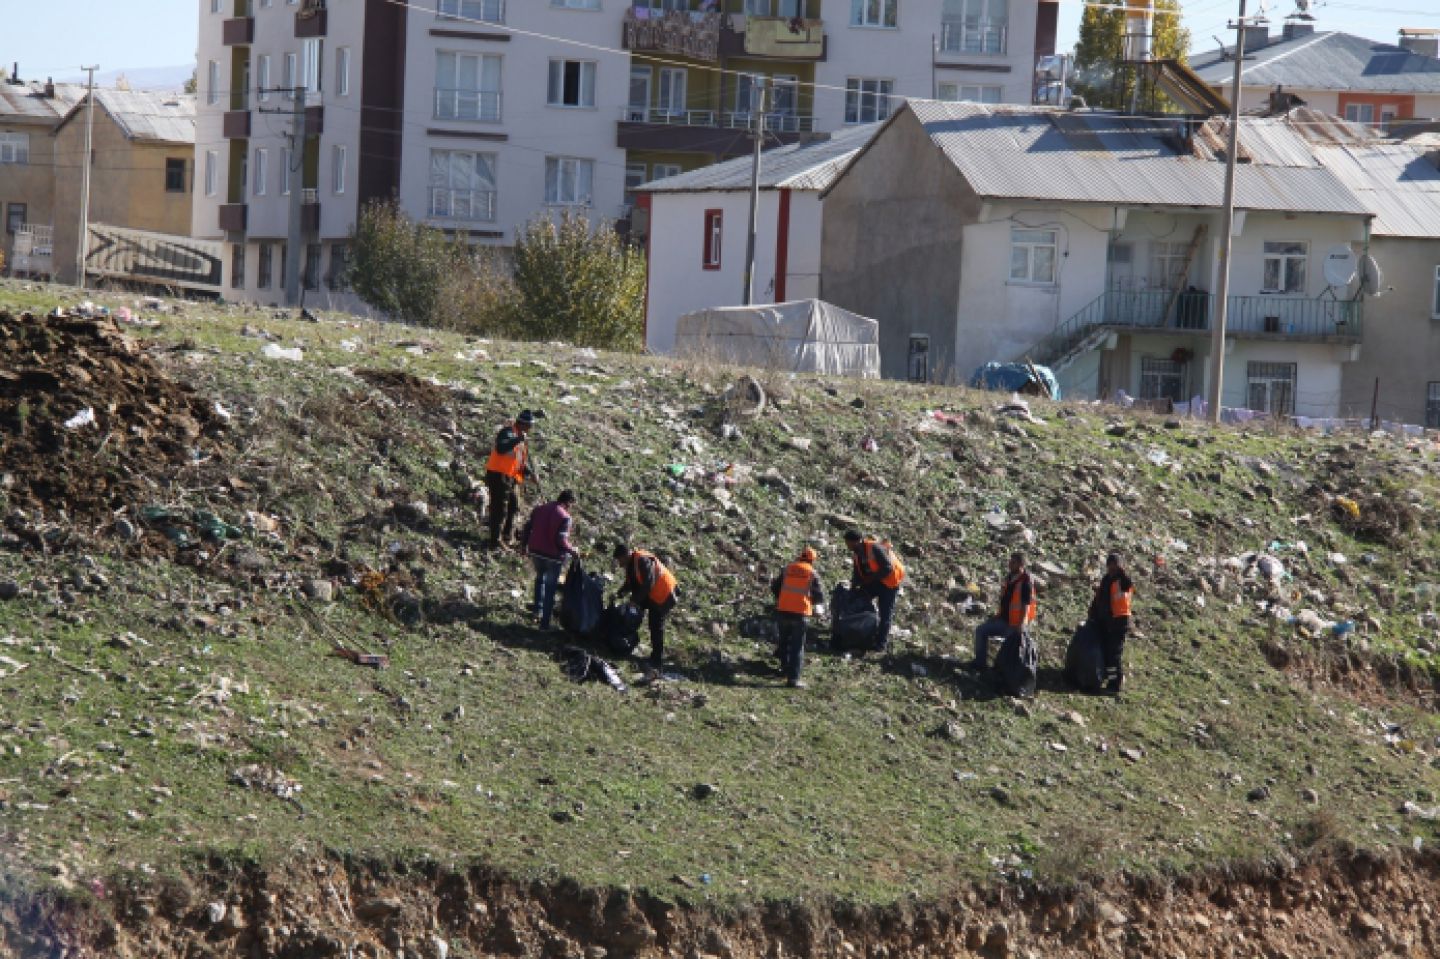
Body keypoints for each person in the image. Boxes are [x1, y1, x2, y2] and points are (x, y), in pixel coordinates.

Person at [613, 542, 678, 680]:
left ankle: (657, 661)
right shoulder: (632, 564)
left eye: (619, 560)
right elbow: (631, 582)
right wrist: (619, 593)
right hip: (652, 595)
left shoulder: (642, 560)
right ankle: (626, 643)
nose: (619, 564)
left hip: (664, 594)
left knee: (655, 625)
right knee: (633, 615)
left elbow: (648, 582)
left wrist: (635, 601)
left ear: (625, 555)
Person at [519, 489, 577, 631]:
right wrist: (572, 550)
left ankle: (537, 611)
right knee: (550, 589)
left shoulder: (539, 509)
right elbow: (561, 539)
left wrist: (523, 545)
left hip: (535, 552)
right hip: (553, 556)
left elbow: (527, 527)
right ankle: (544, 624)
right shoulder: (565, 517)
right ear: (568, 502)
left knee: (540, 579)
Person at [770, 546, 826, 689]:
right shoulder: (812, 573)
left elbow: (775, 587)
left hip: (783, 611)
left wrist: (783, 599)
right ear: (812, 560)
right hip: (800, 614)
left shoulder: (788, 569)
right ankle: (793, 679)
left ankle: (784, 669)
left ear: (799, 556)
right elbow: (819, 596)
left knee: (783, 642)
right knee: (797, 647)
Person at [843, 530, 904, 653]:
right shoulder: (856, 554)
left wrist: (870, 580)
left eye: (848, 543)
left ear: (856, 541)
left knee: (885, 614)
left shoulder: (874, 547)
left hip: (890, 583)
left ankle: (880, 644)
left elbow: (887, 568)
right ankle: (861, 631)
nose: (847, 546)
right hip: (876, 582)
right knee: (859, 599)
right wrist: (853, 590)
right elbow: (857, 575)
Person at [971, 552, 1036, 669]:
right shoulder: (1010, 578)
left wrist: (1021, 625)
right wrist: (998, 615)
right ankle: (979, 664)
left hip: (1015, 626)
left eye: (1013, 562)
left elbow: (1026, 605)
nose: (1010, 564)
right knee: (981, 631)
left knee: (1011, 650)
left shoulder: (1025, 582)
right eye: (1010, 561)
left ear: (1021, 565)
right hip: (1003, 620)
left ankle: (1005, 672)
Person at [485, 410, 536, 549]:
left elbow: (517, 462)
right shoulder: (508, 432)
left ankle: (507, 535)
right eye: (529, 425)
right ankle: (495, 541)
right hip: (498, 474)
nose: (530, 429)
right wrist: (519, 439)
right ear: (523, 424)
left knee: (513, 505)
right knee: (499, 508)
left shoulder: (520, 439)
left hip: (510, 477)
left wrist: (529, 473)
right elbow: (501, 448)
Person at [1088, 552, 1134, 694]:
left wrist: (1122, 572)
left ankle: (1115, 684)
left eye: (1115, 565)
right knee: (1107, 653)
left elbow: (1128, 585)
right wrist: (1092, 612)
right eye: (1110, 565)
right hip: (1106, 621)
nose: (1112, 568)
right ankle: (1108, 679)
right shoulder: (1106, 579)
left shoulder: (1122, 580)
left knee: (1114, 655)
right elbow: (1099, 598)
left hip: (1119, 622)